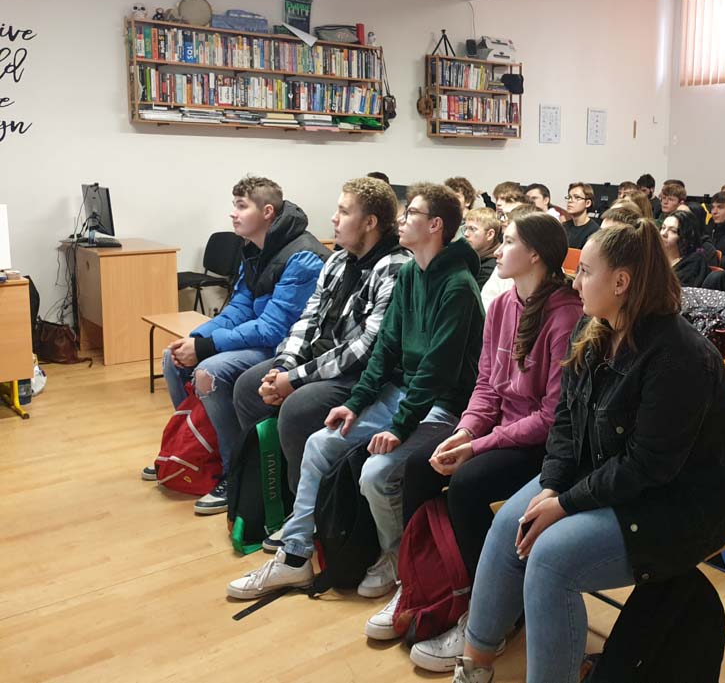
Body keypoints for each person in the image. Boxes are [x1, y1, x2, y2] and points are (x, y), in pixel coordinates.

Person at [450, 219, 725, 683]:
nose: (574, 282)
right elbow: (566, 423)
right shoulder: (594, 327)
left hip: (678, 506)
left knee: (550, 561)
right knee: (509, 524)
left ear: (621, 282)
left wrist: (565, 503)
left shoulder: (678, 356)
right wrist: (551, 487)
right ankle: (475, 662)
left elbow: (649, 467)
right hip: (609, 475)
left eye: (585, 271)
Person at [226, 183, 484, 600]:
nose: (402, 221)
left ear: (435, 225)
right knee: (319, 444)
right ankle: (295, 556)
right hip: (402, 394)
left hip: (442, 406)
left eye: (411, 214)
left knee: (376, 473)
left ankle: (397, 560)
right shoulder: (411, 275)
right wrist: (355, 403)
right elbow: (384, 351)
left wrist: (399, 427)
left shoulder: (458, 286)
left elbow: (437, 372)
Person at [370, 211, 585, 671]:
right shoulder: (504, 304)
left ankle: (491, 612)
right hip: (499, 430)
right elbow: (486, 386)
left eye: (508, 242)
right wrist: (465, 431)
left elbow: (550, 417)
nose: (497, 250)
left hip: (540, 445)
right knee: (420, 467)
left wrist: (478, 446)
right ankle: (424, 586)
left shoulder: (565, 314)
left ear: (535, 255)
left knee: (467, 485)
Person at [149, 176, 327, 514]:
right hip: (262, 337)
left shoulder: (303, 257)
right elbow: (239, 309)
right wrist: (197, 339)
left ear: (267, 212)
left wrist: (206, 349)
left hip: (288, 347)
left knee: (210, 371)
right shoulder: (255, 249)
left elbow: (274, 329)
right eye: (234, 205)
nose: (233, 213)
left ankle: (234, 473)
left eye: (241, 206)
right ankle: (196, 449)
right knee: (173, 357)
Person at [232, 177, 411, 495]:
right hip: (318, 361)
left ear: (370, 223)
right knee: (248, 386)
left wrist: (294, 380)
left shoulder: (395, 267)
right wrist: (285, 365)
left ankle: (304, 506)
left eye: (344, 211)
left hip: (360, 374)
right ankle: (267, 491)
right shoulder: (339, 260)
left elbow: (365, 348)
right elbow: (309, 318)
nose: (333, 218)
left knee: (298, 408)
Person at [660, 210, 709, 287]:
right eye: (663, 228)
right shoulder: (656, 256)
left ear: (686, 237)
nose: (663, 234)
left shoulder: (694, 263)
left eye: (673, 231)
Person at [463, 208, 503, 288]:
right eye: (465, 228)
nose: (466, 234)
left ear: (490, 235)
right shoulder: (473, 257)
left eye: (472, 229)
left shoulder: (491, 269)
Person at [561, 182, 600, 250]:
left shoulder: (594, 231)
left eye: (577, 197)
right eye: (569, 197)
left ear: (587, 203)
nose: (570, 201)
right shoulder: (564, 227)